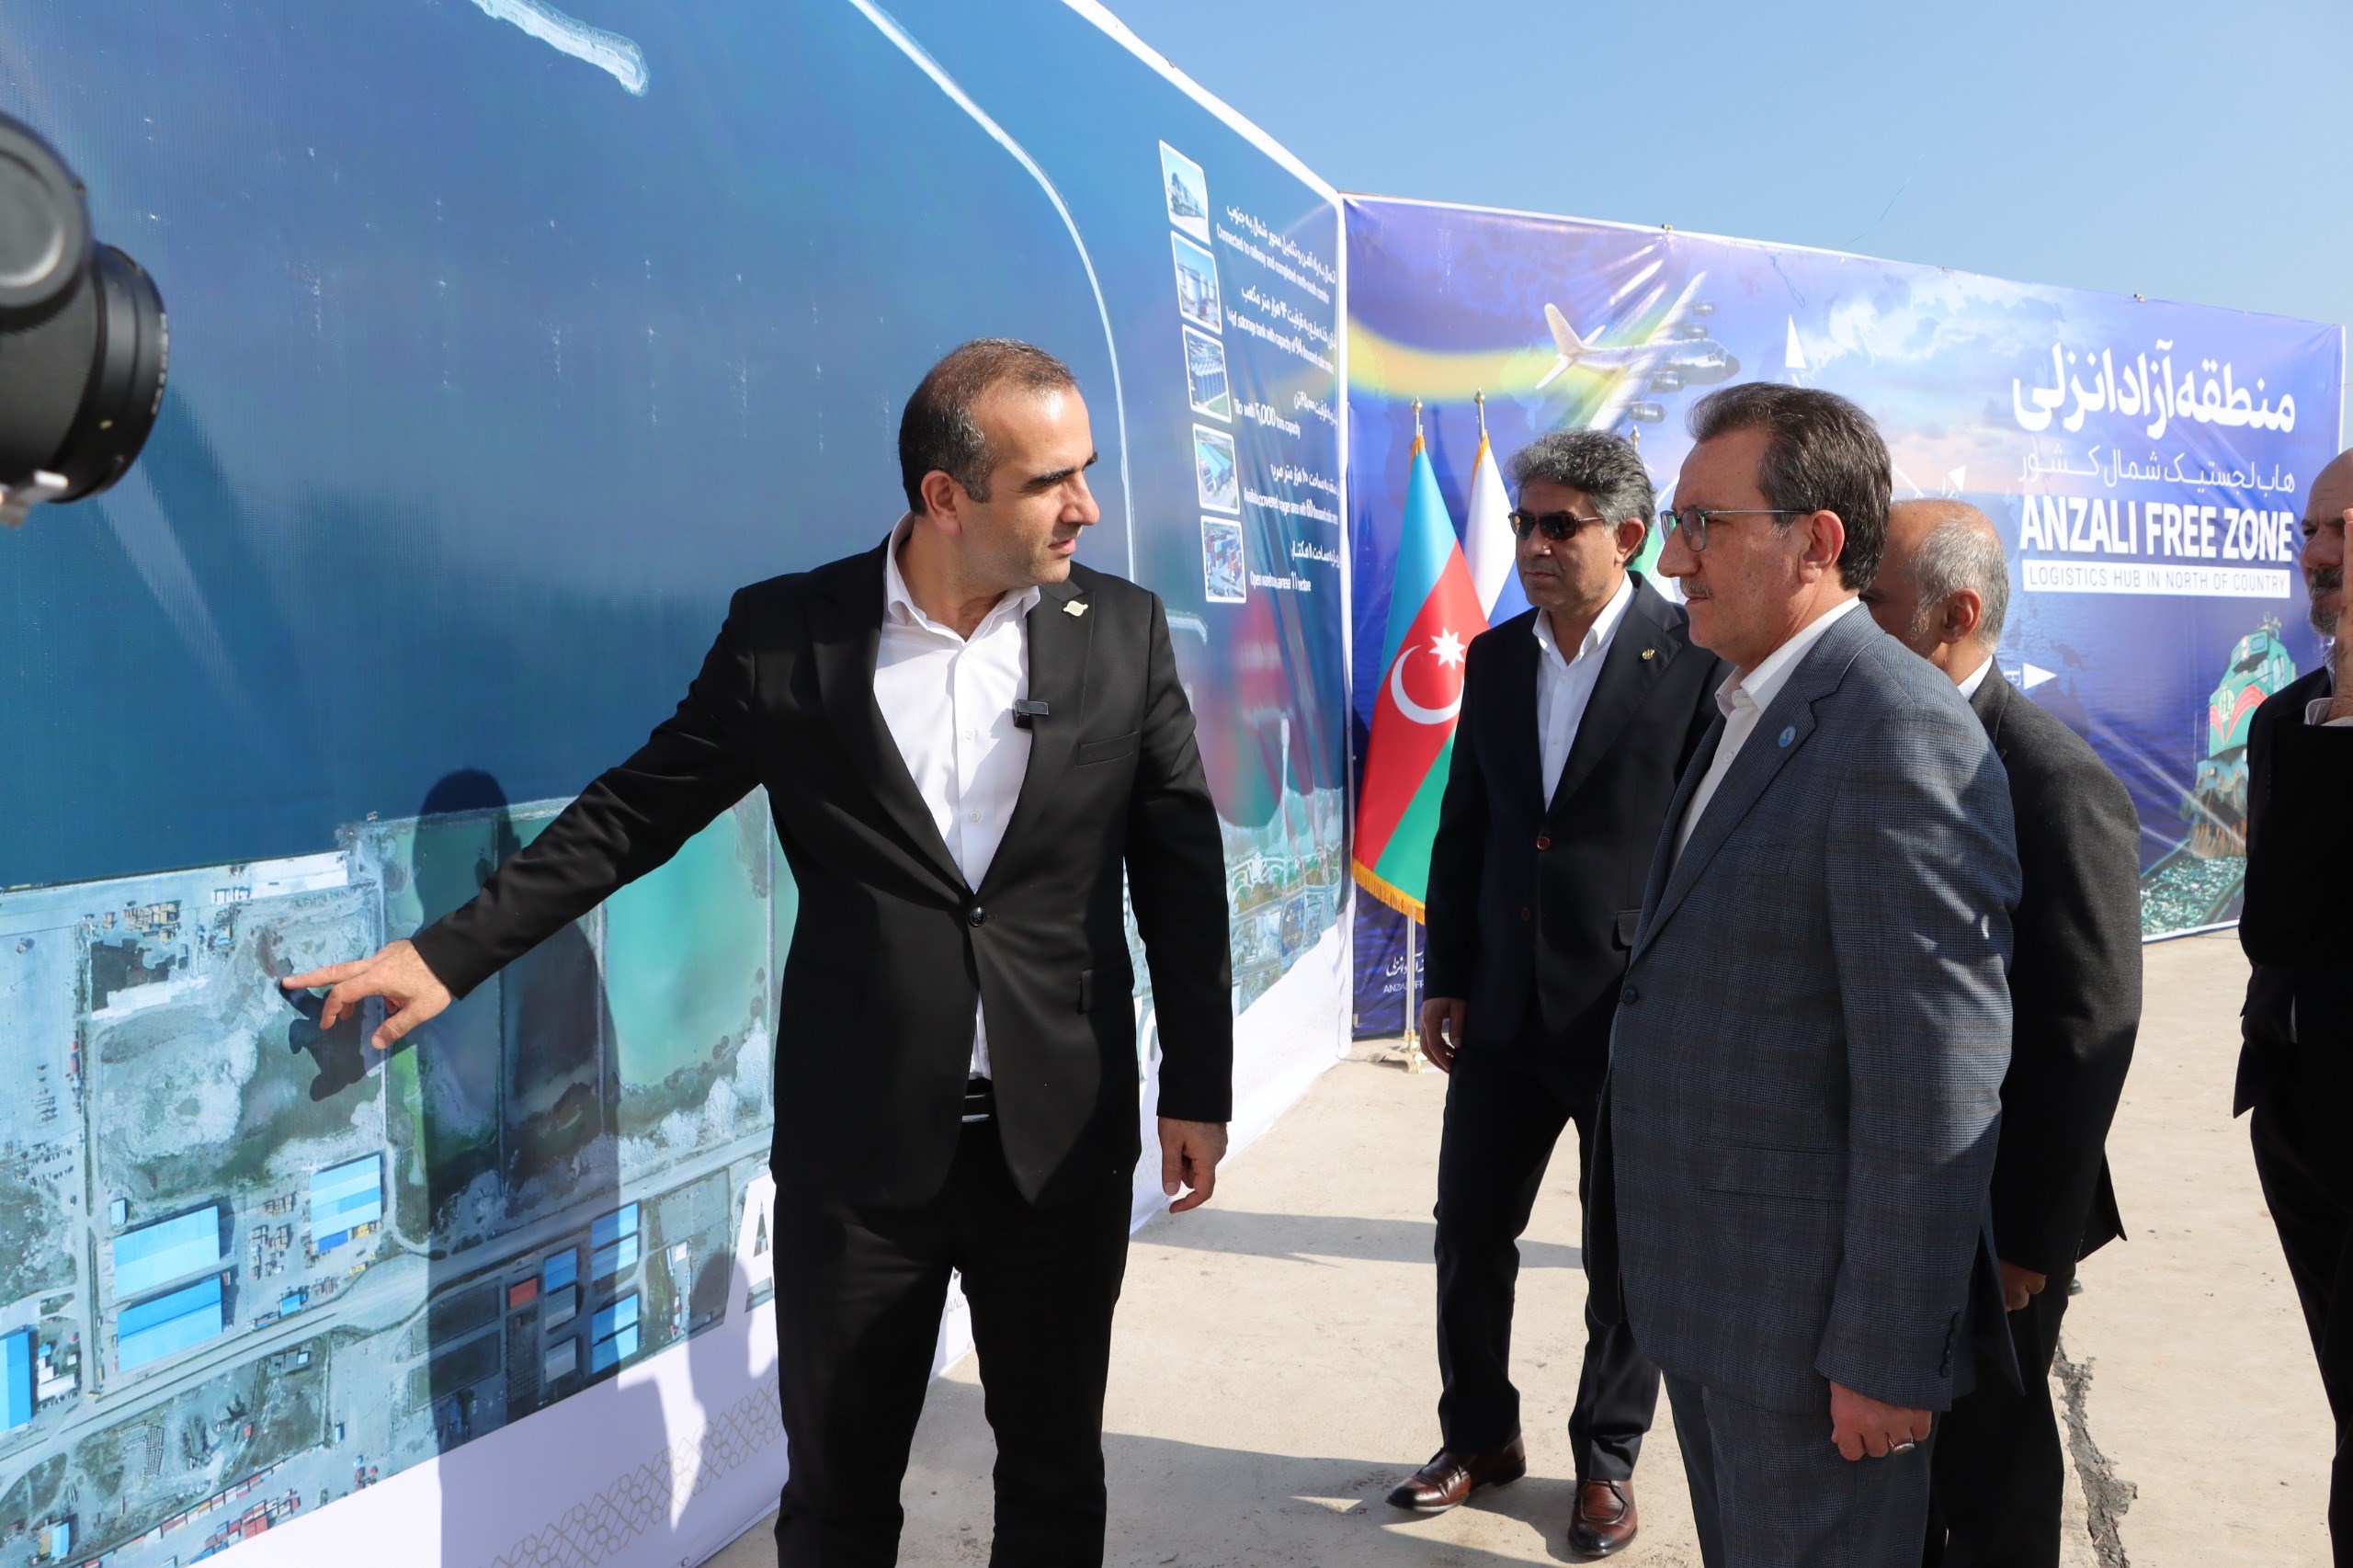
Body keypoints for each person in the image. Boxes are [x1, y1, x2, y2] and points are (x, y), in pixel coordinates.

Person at [280, 339, 1235, 1568]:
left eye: (1086, 470)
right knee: (838, 1496)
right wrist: (446, 956)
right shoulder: (790, 635)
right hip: (860, 1157)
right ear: (946, 497)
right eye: (1052, 480)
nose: (1087, 507)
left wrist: (1196, 1084)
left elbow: (1179, 870)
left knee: (1054, 1482)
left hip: (1059, 1144)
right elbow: (635, 813)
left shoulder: (1122, 631)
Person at [1586, 383, 2020, 1567]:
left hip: (1817, 1344)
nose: (1670, 558)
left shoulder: (1895, 729)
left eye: (1702, 524)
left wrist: (1886, 1352)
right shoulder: (1748, 698)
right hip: (1722, 1305)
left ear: (1816, 540)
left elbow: (1935, 1080)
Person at [1396, 430, 1726, 1557]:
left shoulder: (1693, 658)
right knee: (1467, 1230)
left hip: (1629, 1009)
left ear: (1628, 535)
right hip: (1500, 1009)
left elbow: (1707, 846)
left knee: (1620, 1256)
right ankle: (1479, 1435)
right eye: (1522, 524)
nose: (1533, 544)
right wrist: (1447, 975)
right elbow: (1468, 825)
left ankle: (1606, 1459)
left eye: (1558, 525)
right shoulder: (1495, 657)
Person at [1865, 500, 2142, 1568]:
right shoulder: (1863, 739)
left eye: (1874, 599)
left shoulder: (2051, 779)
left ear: (1954, 612)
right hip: (1882, 1181)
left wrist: (2028, 1237)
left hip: (1995, 1213)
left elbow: (2085, 1024)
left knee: (1990, 1462)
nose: (1847, 617)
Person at [2235, 446, 2353, 1559]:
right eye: (2310, 530)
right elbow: (2273, 928)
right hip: (2302, 1115)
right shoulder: (2285, 720)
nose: (2316, 553)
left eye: (2344, 530)